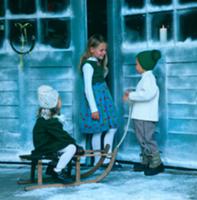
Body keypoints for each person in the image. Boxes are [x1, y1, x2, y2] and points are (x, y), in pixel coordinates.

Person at [123, 49, 164, 176]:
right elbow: (142, 94)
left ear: (144, 65)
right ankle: (147, 160)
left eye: (137, 64)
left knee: (147, 139)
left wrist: (132, 95)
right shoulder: (144, 78)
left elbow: (147, 94)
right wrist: (132, 95)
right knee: (142, 139)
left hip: (146, 116)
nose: (136, 66)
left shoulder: (149, 78)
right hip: (140, 115)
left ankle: (156, 162)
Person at [79, 34, 118, 165]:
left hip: (104, 97)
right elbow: (88, 89)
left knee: (112, 127)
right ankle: (97, 161)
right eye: (101, 50)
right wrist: (94, 109)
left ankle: (107, 159)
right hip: (96, 100)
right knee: (98, 130)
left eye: (105, 50)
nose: (104, 52)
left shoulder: (97, 63)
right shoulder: (88, 65)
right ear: (92, 49)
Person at [32, 85, 83, 182]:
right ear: (53, 103)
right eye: (59, 99)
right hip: (44, 146)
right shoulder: (49, 120)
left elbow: (58, 136)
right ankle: (57, 170)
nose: (61, 102)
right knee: (71, 148)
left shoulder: (46, 115)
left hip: (44, 144)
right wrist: (75, 145)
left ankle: (52, 166)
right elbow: (62, 135)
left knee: (64, 146)